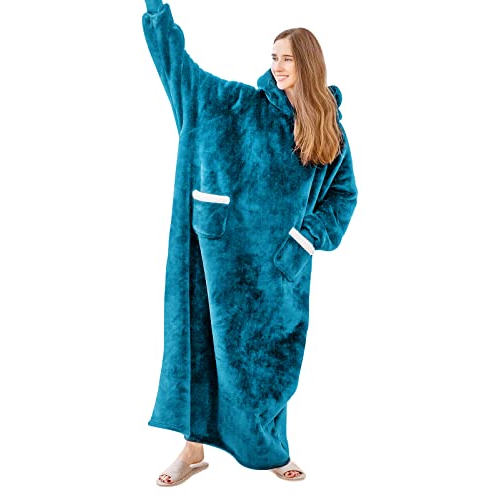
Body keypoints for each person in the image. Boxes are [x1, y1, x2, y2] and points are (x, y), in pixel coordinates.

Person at [141, 0, 358, 486]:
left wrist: (304, 241)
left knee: (271, 360)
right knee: (199, 345)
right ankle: (192, 452)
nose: (277, 66)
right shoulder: (241, 105)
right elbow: (184, 74)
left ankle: (271, 449)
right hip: (219, 257)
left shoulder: (328, 128)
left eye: (287, 58)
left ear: (308, 63)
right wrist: (158, 14)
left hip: (279, 269)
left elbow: (343, 195)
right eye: (274, 57)